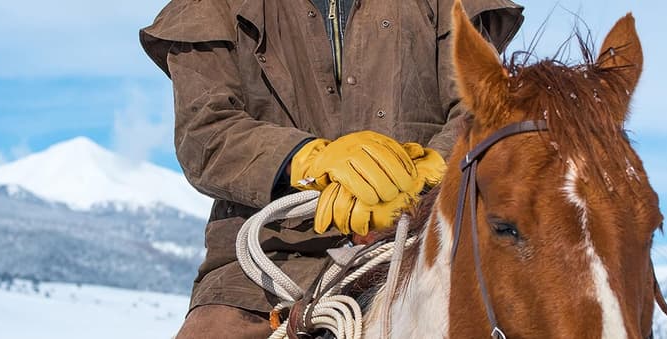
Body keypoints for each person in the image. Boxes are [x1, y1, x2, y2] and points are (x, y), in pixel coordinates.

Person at [140, 0, 523, 337]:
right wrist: (309, 159)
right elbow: (203, 131)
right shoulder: (211, 4)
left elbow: (480, 105)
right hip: (261, 270)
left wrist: (429, 171)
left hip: (421, 244)